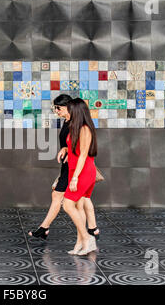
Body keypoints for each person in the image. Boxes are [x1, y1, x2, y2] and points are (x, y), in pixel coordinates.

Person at [28, 95, 100, 245]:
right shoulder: (69, 122)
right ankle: (92, 230)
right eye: (55, 108)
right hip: (69, 165)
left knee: (64, 198)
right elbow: (72, 143)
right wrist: (66, 149)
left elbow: (82, 150)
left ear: (69, 107)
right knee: (80, 199)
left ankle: (47, 229)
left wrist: (74, 172)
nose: (56, 111)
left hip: (75, 167)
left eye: (58, 108)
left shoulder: (79, 124)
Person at [62, 98, 98, 255]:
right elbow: (73, 151)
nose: (67, 112)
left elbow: (83, 155)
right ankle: (79, 244)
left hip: (83, 172)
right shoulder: (74, 127)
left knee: (67, 205)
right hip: (73, 170)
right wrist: (64, 149)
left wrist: (75, 177)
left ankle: (87, 239)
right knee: (78, 206)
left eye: (69, 109)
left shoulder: (85, 129)